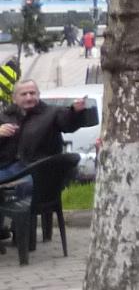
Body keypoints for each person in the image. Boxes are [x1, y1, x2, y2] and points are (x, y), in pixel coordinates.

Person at [0, 80, 93, 214]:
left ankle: (22, 224)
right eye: (24, 94)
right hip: (9, 168)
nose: (29, 97)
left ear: (38, 94)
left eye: (32, 93)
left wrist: (75, 112)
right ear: (14, 98)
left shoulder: (52, 113)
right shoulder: (5, 116)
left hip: (38, 170)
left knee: (25, 187)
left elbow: (68, 123)